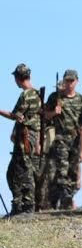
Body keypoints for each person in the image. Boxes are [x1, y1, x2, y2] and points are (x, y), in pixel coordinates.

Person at [0, 64, 42, 217]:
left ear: (17, 78)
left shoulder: (27, 94)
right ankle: (17, 206)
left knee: (24, 170)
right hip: (27, 135)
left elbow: (15, 115)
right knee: (12, 172)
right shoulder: (36, 93)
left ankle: (27, 207)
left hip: (26, 136)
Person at [44, 69, 82, 210]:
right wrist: (53, 112)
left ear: (77, 81)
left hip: (75, 139)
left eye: (71, 81)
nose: (69, 83)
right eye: (67, 80)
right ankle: (64, 198)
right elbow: (44, 115)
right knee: (62, 170)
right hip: (60, 138)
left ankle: (67, 200)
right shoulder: (55, 97)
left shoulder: (81, 100)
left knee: (73, 172)